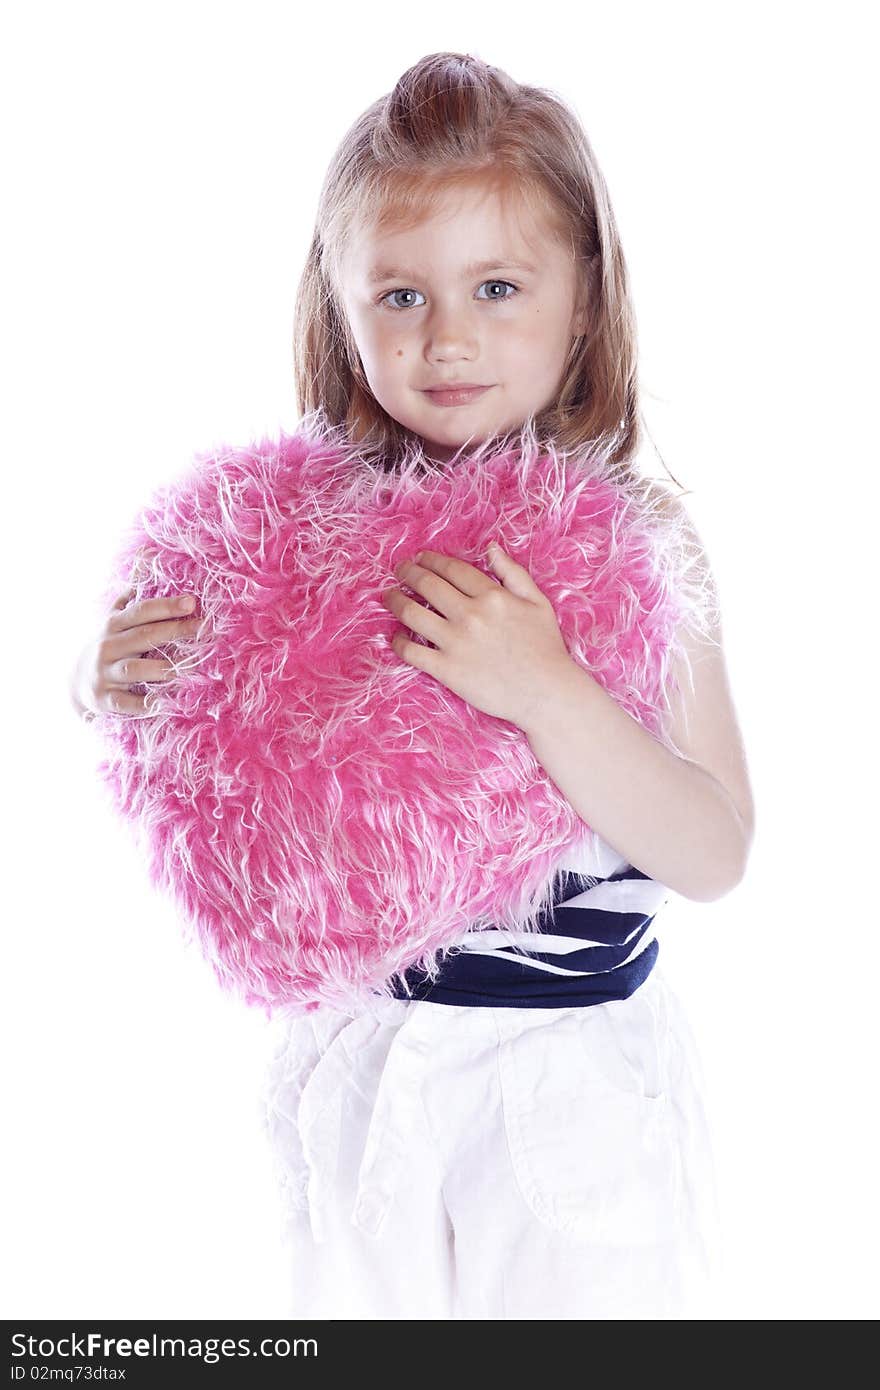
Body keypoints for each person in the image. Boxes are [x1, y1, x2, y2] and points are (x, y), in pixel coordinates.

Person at [69, 51, 755, 1319]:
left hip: (565, 1081)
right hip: (351, 1059)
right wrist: (103, 683)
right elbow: (230, 753)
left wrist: (549, 689)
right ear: (337, 311)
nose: (446, 337)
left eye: (498, 286)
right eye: (397, 294)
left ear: (585, 303)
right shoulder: (293, 538)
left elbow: (713, 849)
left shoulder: (635, 538)